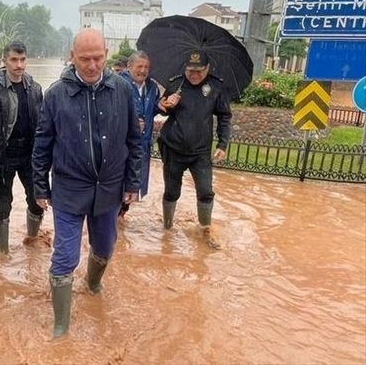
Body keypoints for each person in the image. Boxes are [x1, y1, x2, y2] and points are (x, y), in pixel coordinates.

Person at [32, 29, 142, 338]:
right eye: (84, 59)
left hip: (109, 187)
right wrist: (40, 186)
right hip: (69, 187)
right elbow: (42, 143)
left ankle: (93, 284)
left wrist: (132, 182)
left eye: (97, 58)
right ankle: (61, 326)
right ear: (72, 57)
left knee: (105, 246)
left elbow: (134, 140)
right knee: (66, 255)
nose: (92, 66)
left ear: (106, 55)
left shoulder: (122, 90)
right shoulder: (56, 94)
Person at [0, 40, 44, 253]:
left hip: (30, 156)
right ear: (4, 61)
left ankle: (32, 239)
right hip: (3, 156)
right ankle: (2, 251)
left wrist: (45, 157)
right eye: (14, 60)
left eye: (22, 60)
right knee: (3, 204)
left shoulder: (35, 89)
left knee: (37, 200)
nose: (19, 65)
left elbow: (43, 126)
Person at [157, 50, 231, 250]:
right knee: (172, 192)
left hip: (200, 152)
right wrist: (165, 104)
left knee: (206, 192)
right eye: (190, 70)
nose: (194, 75)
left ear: (208, 69)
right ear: (185, 68)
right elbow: (159, 108)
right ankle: (167, 229)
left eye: (199, 71)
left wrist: (223, 144)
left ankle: (205, 230)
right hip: (173, 148)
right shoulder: (176, 84)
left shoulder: (216, 87)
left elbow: (225, 117)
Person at [118, 50, 160, 218]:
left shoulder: (152, 87)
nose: (143, 71)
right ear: (129, 66)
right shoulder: (118, 84)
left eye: (146, 67)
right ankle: (112, 226)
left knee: (132, 188)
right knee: (117, 188)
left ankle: (120, 220)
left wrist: (162, 106)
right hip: (121, 147)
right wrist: (129, 123)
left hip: (142, 147)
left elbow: (151, 109)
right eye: (139, 66)